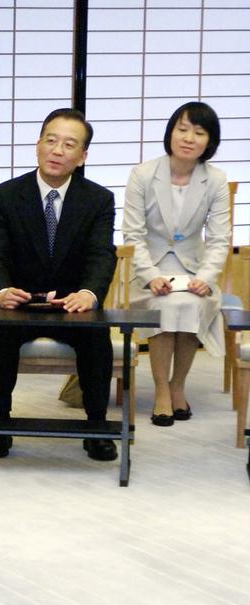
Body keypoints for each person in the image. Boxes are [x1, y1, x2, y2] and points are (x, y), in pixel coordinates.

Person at [0, 108, 118, 461]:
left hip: (72, 304)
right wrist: (0, 291)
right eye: (51, 140)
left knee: (97, 336)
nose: (58, 150)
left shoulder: (98, 200)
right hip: (19, 302)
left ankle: (96, 427)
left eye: (69, 144)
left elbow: (101, 255)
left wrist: (88, 293)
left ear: (82, 156)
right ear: (38, 145)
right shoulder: (6, 195)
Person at [122, 102, 231, 427]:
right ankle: (161, 392)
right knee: (165, 304)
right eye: (182, 129)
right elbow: (132, 233)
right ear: (170, 132)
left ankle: (177, 385)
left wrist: (206, 277)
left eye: (199, 132)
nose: (188, 138)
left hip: (194, 270)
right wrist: (151, 275)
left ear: (209, 142)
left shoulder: (216, 180)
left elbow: (219, 238)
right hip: (147, 271)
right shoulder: (143, 174)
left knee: (189, 302)